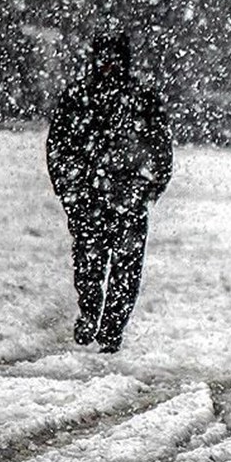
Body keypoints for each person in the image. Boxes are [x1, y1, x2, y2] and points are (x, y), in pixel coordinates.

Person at [46, 32, 172, 353]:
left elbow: (160, 150)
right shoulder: (78, 98)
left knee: (125, 270)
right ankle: (90, 313)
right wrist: (69, 189)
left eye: (115, 59)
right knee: (89, 262)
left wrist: (148, 188)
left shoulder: (141, 100)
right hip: (90, 198)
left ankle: (112, 329)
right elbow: (58, 148)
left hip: (126, 199)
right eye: (105, 59)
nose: (109, 66)